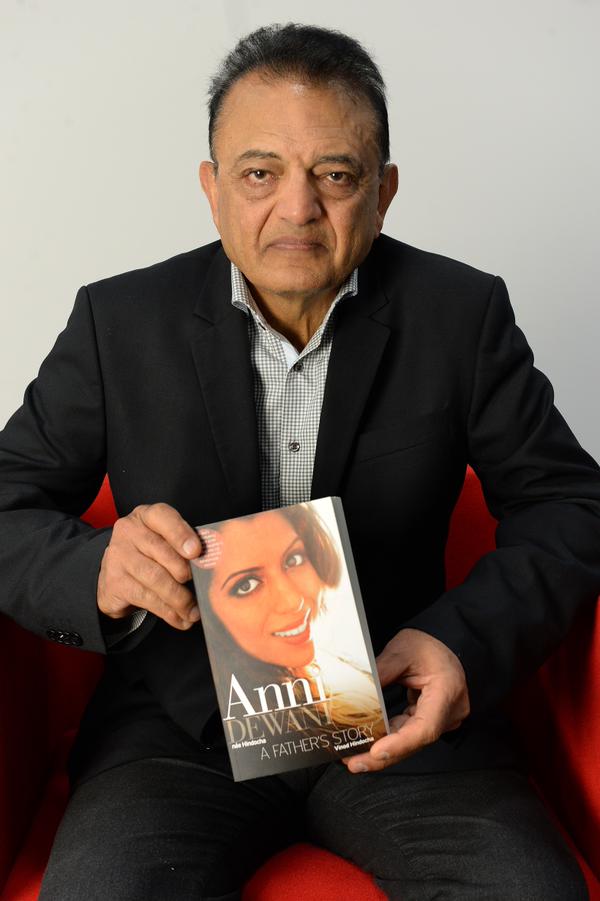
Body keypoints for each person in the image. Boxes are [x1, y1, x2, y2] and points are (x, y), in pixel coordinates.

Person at [1, 21, 599, 901]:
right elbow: (8, 503)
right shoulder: (117, 322)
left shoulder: (461, 316)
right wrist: (97, 569)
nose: (297, 208)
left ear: (384, 192)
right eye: (259, 173)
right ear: (211, 188)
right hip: (177, 728)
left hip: (398, 714)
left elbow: (571, 504)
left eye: (336, 175)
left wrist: (460, 644)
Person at [192, 505, 386, 753]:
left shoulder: (350, 676)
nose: (293, 600)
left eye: (293, 560)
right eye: (247, 585)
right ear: (210, 615)